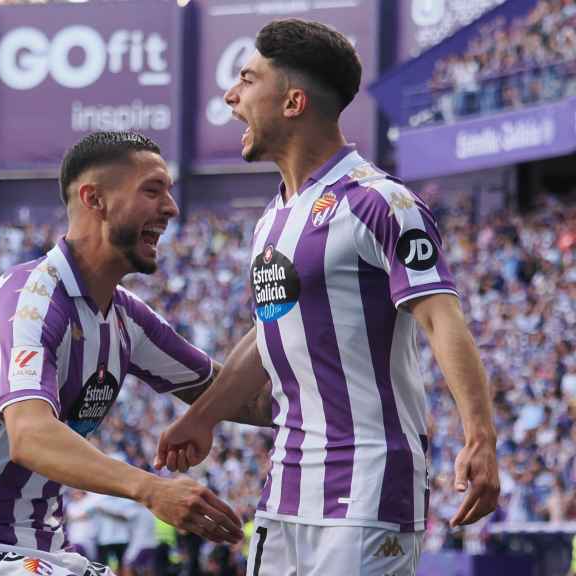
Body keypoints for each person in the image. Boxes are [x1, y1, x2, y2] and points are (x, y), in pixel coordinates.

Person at [156, 19, 500, 575]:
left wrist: (479, 435)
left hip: (368, 485)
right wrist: (203, 416)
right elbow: (270, 330)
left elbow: (441, 319)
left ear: (293, 102)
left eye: (247, 79)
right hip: (286, 486)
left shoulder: (379, 202)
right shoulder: (272, 218)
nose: (230, 95)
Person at [0, 131, 251, 576]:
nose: (170, 208)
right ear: (95, 199)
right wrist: (151, 489)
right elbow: (30, 436)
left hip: (50, 552)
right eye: (153, 190)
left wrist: (288, 327)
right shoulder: (28, 300)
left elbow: (241, 397)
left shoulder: (127, 318)